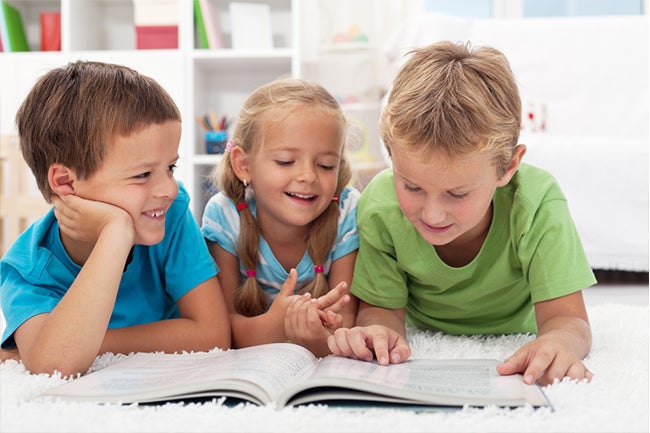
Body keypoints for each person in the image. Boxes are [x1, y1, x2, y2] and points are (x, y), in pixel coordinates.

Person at [327, 41, 596, 386]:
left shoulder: (537, 203)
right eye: (412, 187)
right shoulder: (380, 206)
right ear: (391, 155)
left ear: (509, 167)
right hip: (423, 327)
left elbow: (569, 320)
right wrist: (379, 333)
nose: (433, 213)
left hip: (519, 329)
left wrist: (557, 342)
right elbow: (381, 310)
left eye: (457, 193)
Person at [0, 61, 231, 377]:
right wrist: (115, 231)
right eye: (143, 174)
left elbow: (213, 335)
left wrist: (90, 343)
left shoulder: (172, 213)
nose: (168, 188)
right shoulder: (27, 268)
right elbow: (55, 365)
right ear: (66, 183)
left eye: (171, 168)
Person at [201, 77, 360, 357]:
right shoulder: (225, 215)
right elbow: (222, 330)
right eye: (285, 161)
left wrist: (317, 336)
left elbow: (346, 322)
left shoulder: (346, 211)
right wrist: (279, 325)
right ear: (243, 165)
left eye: (326, 165)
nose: (308, 176)